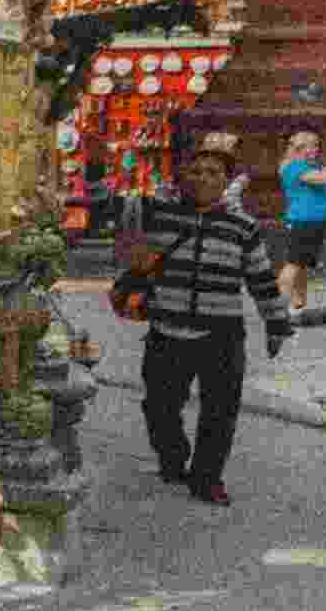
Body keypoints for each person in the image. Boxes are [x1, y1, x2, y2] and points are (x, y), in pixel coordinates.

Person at [117, 140, 291, 507]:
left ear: (227, 180)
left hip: (221, 337)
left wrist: (276, 324)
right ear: (183, 177)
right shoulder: (160, 218)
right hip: (167, 331)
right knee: (159, 407)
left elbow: (261, 280)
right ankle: (173, 457)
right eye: (195, 171)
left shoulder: (243, 227)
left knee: (220, 412)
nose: (203, 178)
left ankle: (207, 478)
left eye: (214, 172)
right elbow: (130, 251)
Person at [272, 127, 326, 316]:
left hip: (312, 222)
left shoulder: (308, 166)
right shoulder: (294, 167)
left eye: (317, 145)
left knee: (301, 266)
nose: (317, 149)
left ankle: (298, 304)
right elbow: (324, 178)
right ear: (301, 147)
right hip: (303, 221)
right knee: (293, 264)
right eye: (313, 145)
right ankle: (276, 307)